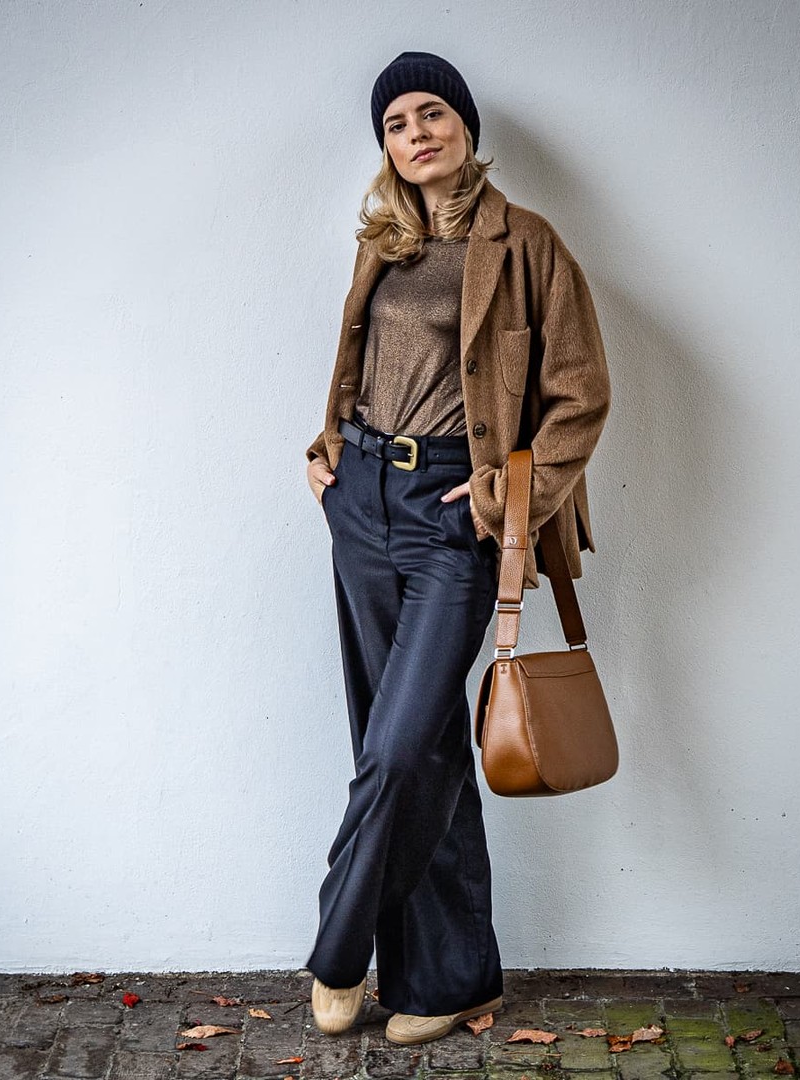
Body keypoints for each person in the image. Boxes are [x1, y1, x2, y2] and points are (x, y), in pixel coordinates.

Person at [303, 51, 611, 1046]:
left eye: (432, 113)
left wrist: (503, 499)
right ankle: (451, 980)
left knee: (401, 751)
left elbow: (580, 393)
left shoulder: (527, 244)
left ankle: (339, 943)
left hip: (454, 516)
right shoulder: (383, 243)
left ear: (465, 126)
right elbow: (361, 362)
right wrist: (327, 447)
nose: (417, 134)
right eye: (397, 123)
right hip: (362, 502)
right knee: (410, 744)